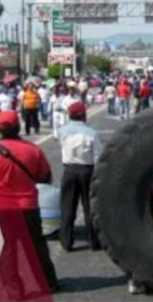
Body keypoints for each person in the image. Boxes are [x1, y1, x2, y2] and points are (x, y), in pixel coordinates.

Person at [0, 111, 59, 298]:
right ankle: (48, 282)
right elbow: (45, 177)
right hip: (28, 205)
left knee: (6, 250)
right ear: (18, 127)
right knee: (36, 247)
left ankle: (14, 291)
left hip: (1, 208)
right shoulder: (33, 150)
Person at [57, 102, 102, 252]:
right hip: (87, 170)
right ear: (83, 115)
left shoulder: (62, 131)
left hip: (69, 169)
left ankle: (66, 241)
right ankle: (94, 241)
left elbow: (60, 142)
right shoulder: (91, 132)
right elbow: (97, 157)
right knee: (90, 207)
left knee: (67, 206)